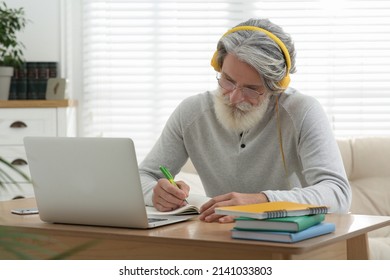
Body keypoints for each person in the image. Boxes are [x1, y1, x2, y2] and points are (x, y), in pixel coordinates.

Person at [139, 18, 351, 223]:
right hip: (218, 237)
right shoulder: (191, 111)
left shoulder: (302, 111)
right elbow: (143, 176)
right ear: (218, 66)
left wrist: (261, 201)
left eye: (251, 89)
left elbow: (338, 193)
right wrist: (154, 194)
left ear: (276, 87)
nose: (234, 98)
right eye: (228, 81)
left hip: (288, 237)